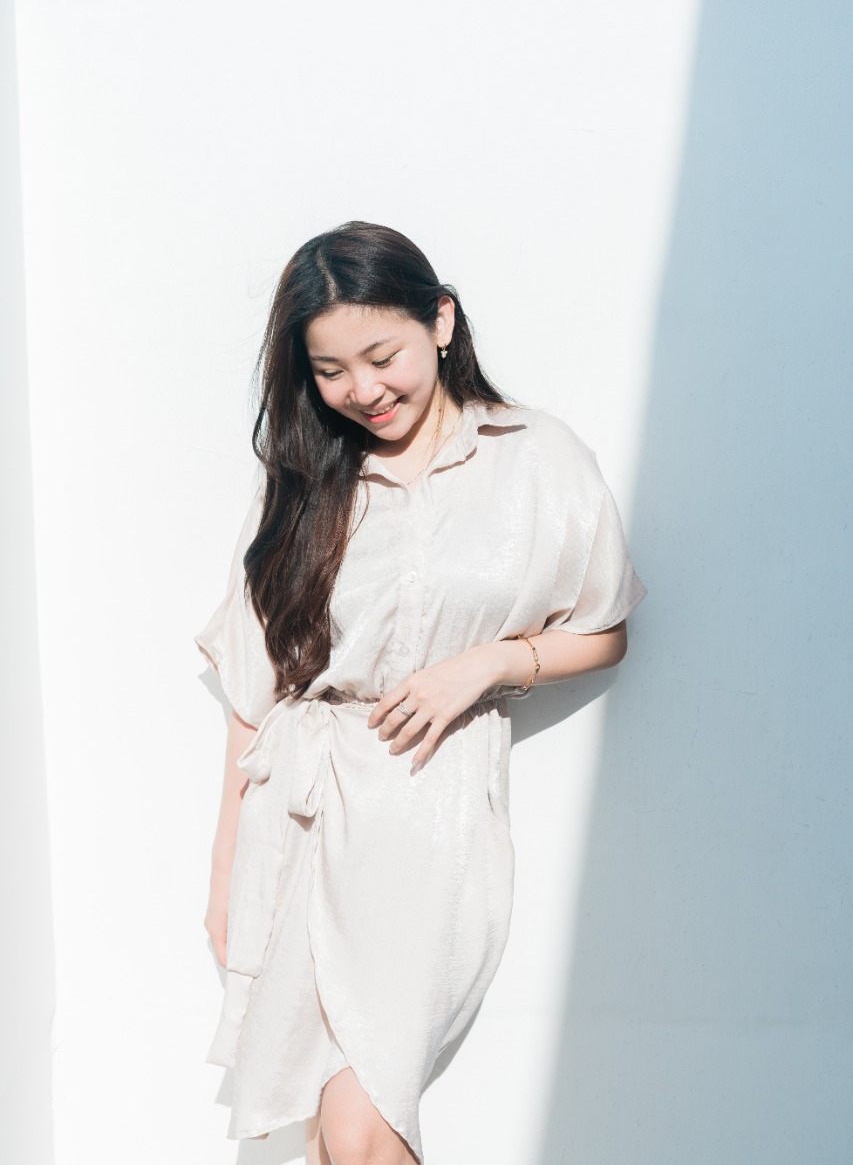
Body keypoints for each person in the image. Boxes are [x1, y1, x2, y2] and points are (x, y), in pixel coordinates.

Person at [195, 219, 646, 1165]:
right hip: (299, 815)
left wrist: (486, 664)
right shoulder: (303, 478)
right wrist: (225, 866)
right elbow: (253, 685)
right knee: (332, 1137)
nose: (361, 391)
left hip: (425, 812)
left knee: (362, 1123)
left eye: (380, 356)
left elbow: (605, 628)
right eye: (329, 370)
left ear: (439, 321)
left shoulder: (534, 457)